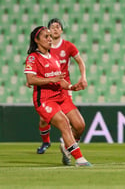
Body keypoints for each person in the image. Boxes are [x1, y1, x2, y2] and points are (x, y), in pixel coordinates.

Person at [24, 26, 91, 167]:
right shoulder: (33, 58)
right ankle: (79, 159)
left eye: (50, 36)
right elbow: (30, 79)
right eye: (46, 37)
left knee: (80, 125)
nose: (50, 39)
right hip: (44, 100)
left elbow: (60, 80)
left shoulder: (54, 57)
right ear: (37, 40)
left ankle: (67, 147)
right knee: (64, 123)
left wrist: (71, 87)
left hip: (61, 96)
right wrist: (51, 80)